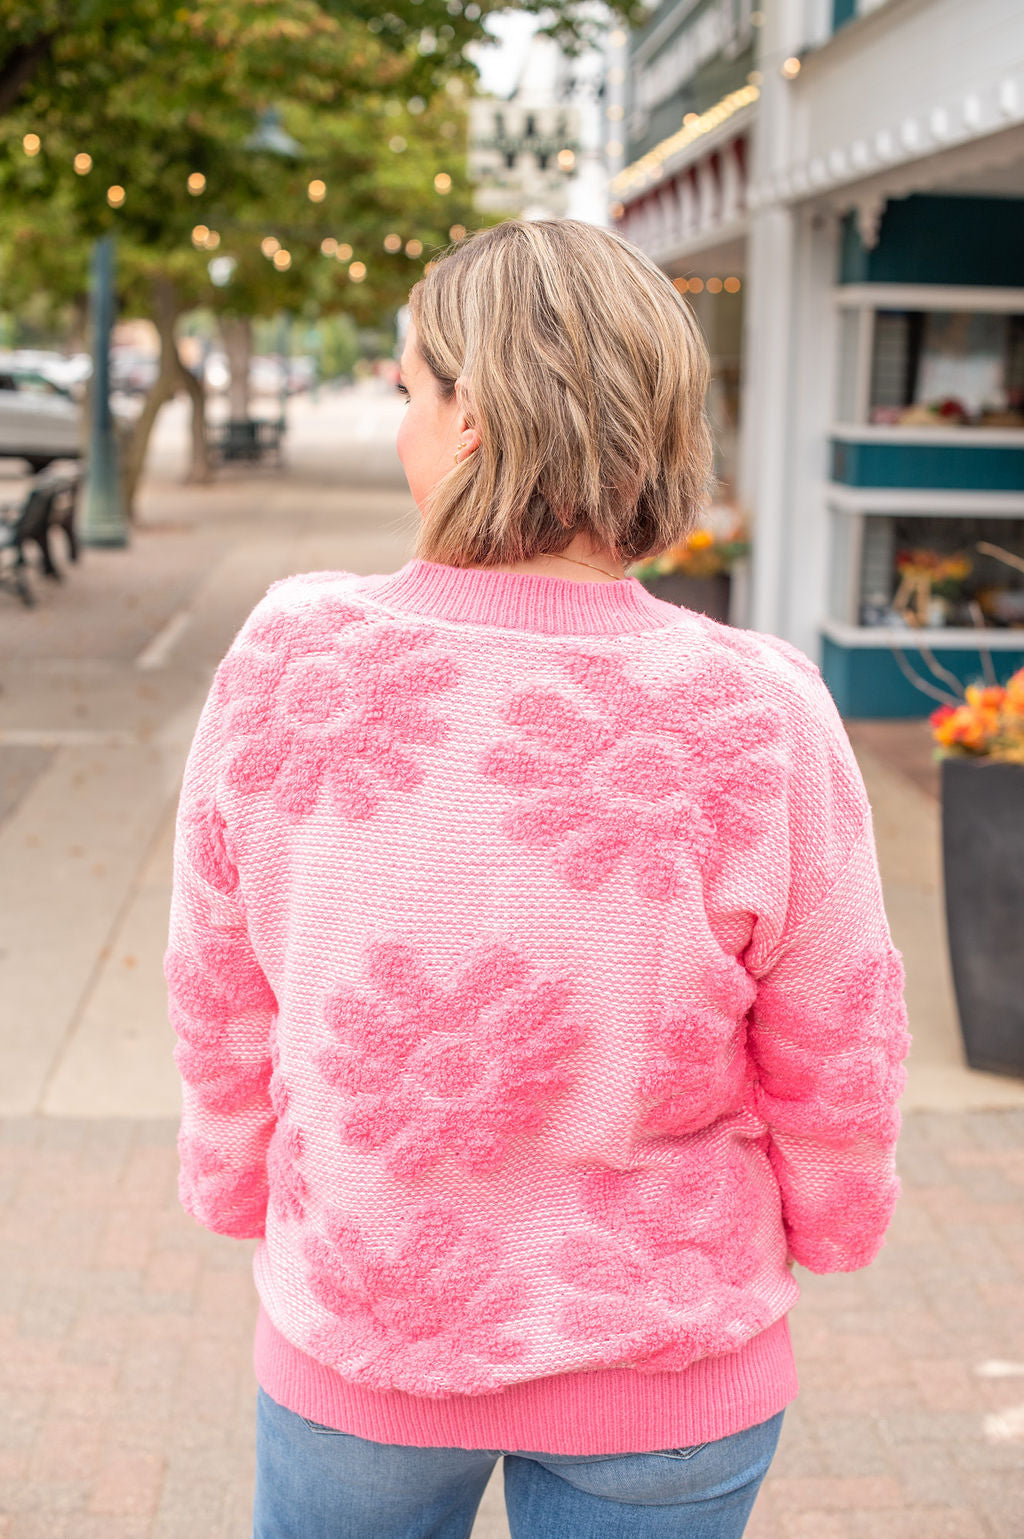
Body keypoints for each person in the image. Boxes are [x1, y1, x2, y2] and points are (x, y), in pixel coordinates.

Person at [165, 218, 911, 1539]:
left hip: (362, 1330)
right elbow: (840, 1034)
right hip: (670, 1355)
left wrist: (231, 1174)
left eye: (410, 391)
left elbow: (221, 979)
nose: (404, 426)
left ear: (469, 422)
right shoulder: (763, 707)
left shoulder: (292, 656)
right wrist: (835, 1220)